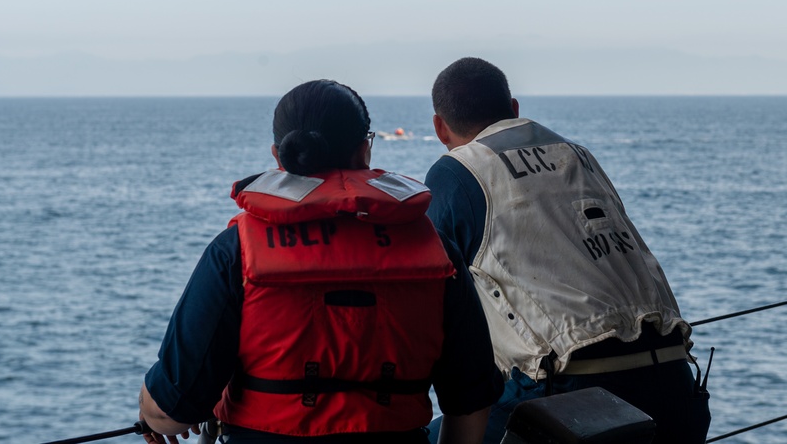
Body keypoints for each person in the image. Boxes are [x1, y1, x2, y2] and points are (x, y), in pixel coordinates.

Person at [137, 79, 503, 444]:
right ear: (365, 151)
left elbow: (171, 410)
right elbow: (470, 401)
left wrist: (151, 412)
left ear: (279, 156)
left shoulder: (236, 252)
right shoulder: (436, 250)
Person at [424, 58, 710, 444]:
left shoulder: (458, 171)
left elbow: (433, 286)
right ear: (514, 109)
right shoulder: (579, 156)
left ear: (440, 127)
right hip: (677, 389)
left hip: (571, 396)